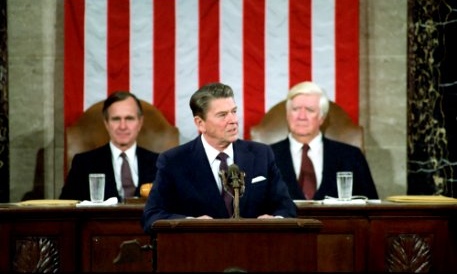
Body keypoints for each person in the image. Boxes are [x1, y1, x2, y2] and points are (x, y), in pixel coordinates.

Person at [141, 83, 296, 233]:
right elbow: (152, 216)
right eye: (222, 115)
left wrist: (276, 219)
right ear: (200, 123)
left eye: (234, 111)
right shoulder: (173, 161)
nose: (233, 120)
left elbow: (286, 208)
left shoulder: (261, 154)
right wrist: (190, 224)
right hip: (199, 252)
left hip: (253, 250)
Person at [270, 81, 379, 200]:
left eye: (310, 110)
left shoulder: (352, 157)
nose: (301, 116)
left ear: (322, 117)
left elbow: (371, 207)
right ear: (287, 114)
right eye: (295, 109)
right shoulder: (265, 157)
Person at [59, 91, 159, 202]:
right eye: (116, 119)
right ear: (106, 123)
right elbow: (66, 209)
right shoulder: (83, 164)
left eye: (129, 118)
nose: (122, 126)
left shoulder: (160, 164)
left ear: (140, 123)